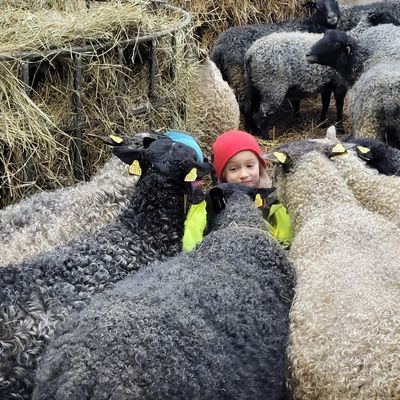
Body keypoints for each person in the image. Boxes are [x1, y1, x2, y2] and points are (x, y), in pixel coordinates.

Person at [182, 129, 293, 252]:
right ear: (223, 174)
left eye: (250, 166)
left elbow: (287, 239)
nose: (244, 174)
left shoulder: (275, 202)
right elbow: (191, 247)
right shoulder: (206, 207)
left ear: (260, 166)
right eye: (234, 169)